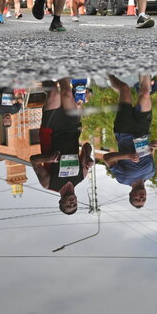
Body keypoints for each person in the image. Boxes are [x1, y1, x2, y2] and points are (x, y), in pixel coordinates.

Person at [31, 78, 92, 214]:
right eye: (74, 205)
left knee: (54, 92)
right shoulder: (81, 176)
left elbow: (33, 161)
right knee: (67, 93)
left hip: (51, 132)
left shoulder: (49, 183)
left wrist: (48, 159)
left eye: (68, 206)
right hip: (72, 129)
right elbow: (87, 145)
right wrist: (87, 157)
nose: (71, 203)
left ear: (61, 202)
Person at [102, 74, 156, 208]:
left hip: (124, 130)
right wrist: (152, 146)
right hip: (142, 129)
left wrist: (127, 156)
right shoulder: (151, 173)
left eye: (138, 199)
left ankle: (106, 72)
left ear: (131, 195)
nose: (141, 197)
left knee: (124, 88)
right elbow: (150, 155)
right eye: (143, 199)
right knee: (145, 93)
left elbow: (107, 158)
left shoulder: (124, 179)